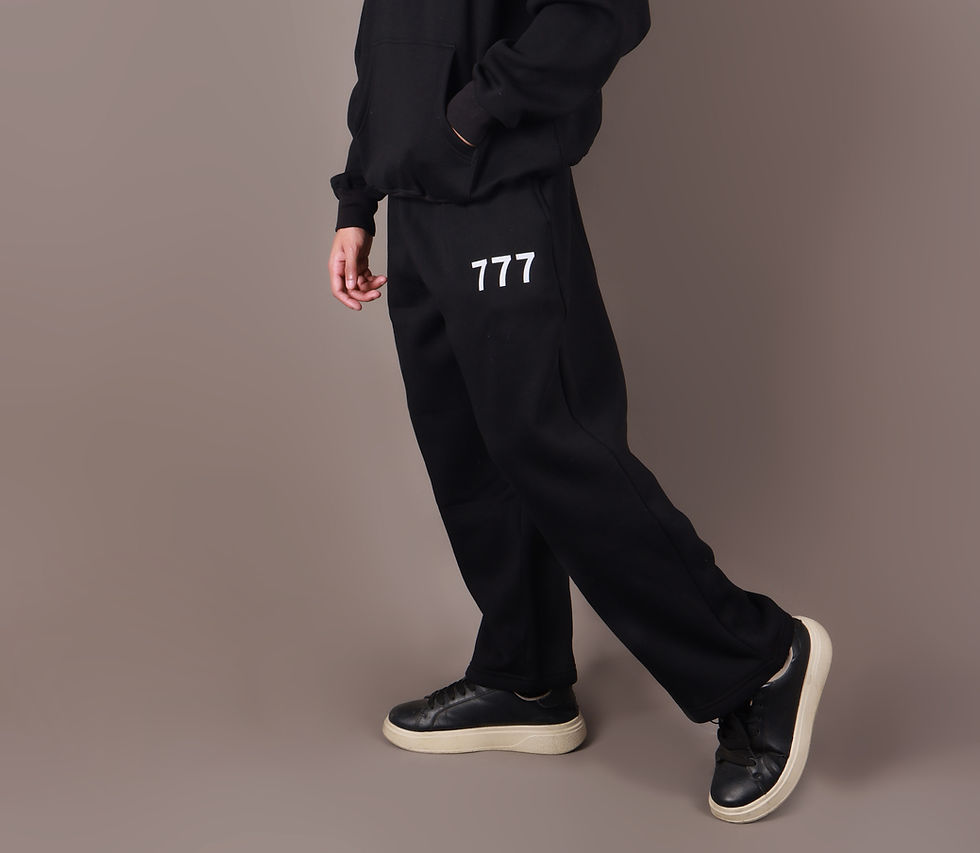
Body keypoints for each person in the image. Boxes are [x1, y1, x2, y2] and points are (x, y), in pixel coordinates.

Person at [328, 0, 832, 823]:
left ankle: (758, 660)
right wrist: (359, 198)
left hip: (499, 188)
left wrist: (473, 114)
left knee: (555, 446)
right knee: (467, 455)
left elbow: (603, 11)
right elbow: (387, 44)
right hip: (416, 208)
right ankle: (522, 674)